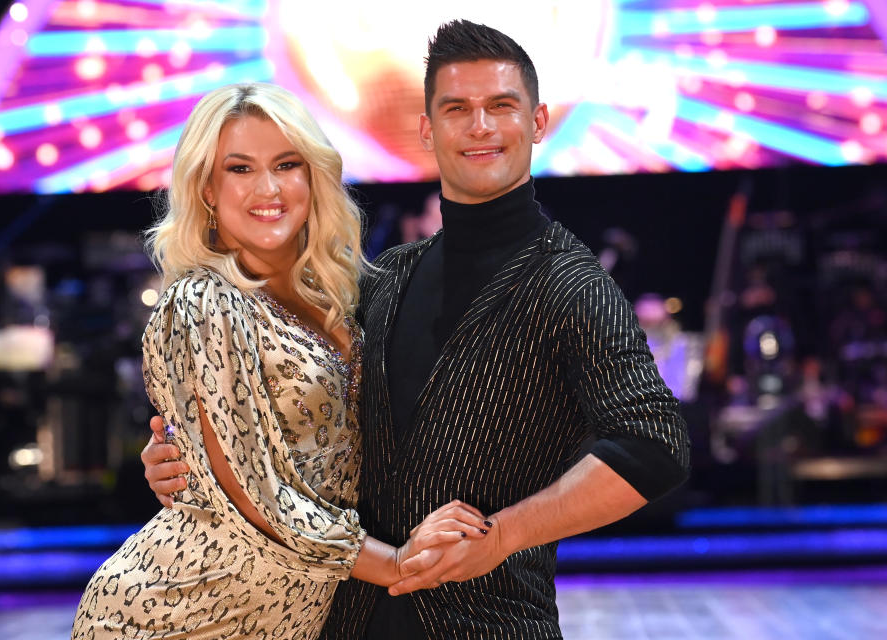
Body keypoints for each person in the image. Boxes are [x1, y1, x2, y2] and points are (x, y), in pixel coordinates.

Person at [144, 21, 690, 639]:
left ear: (538, 123)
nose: (480, 126)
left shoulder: (570, 284)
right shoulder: (388, 277)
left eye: (501, 107)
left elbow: (653, 444)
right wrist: (187, 456)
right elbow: (289, 400)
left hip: (489, 623)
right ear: (427, 129)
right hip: (347, 622)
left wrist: (502, 536)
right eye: (457, 108)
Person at [72, 82, 491, 640]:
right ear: (207, 190)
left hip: (292, 614)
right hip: (182, 612)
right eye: (240, 169)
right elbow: (255, 501)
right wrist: (395, 563)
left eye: (287, 164)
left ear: (312, 176)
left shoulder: (341, 296)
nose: (267, 188)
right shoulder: (202, 302)